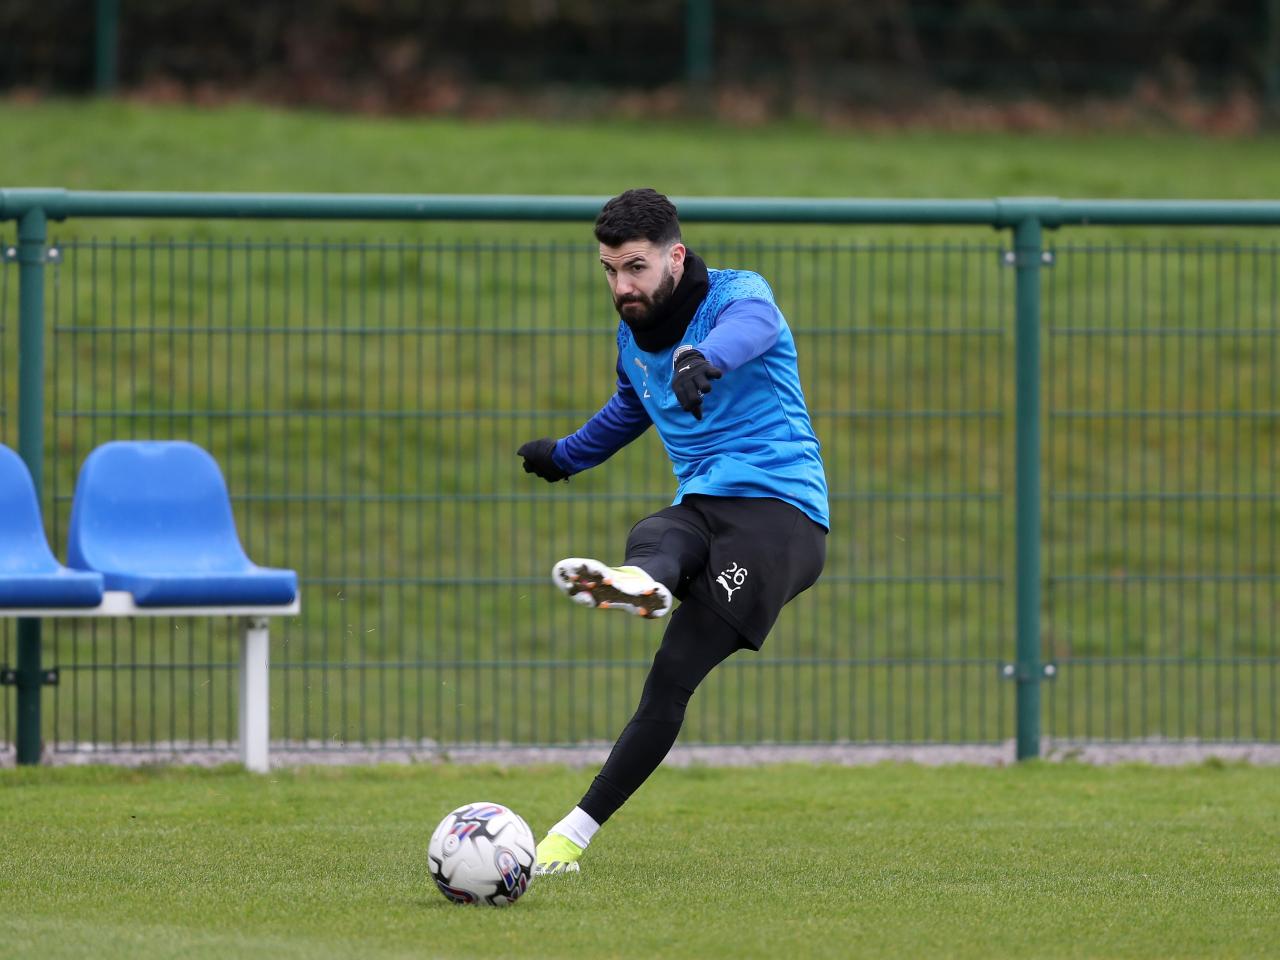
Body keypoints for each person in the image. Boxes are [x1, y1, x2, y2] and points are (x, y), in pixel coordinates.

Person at [517, 187, 829, 875]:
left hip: (781, 518)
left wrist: (704, 359)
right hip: (703, 505)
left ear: (675, 256)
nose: (621, 285)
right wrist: (563, 456)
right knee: (658, 532)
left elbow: (752, 328)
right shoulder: (633, 335)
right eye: (609, 270)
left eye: (634, 267)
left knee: (672, 673)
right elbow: (630, 409)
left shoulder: (737, 294)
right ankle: (641, 584)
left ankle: (570, 834)